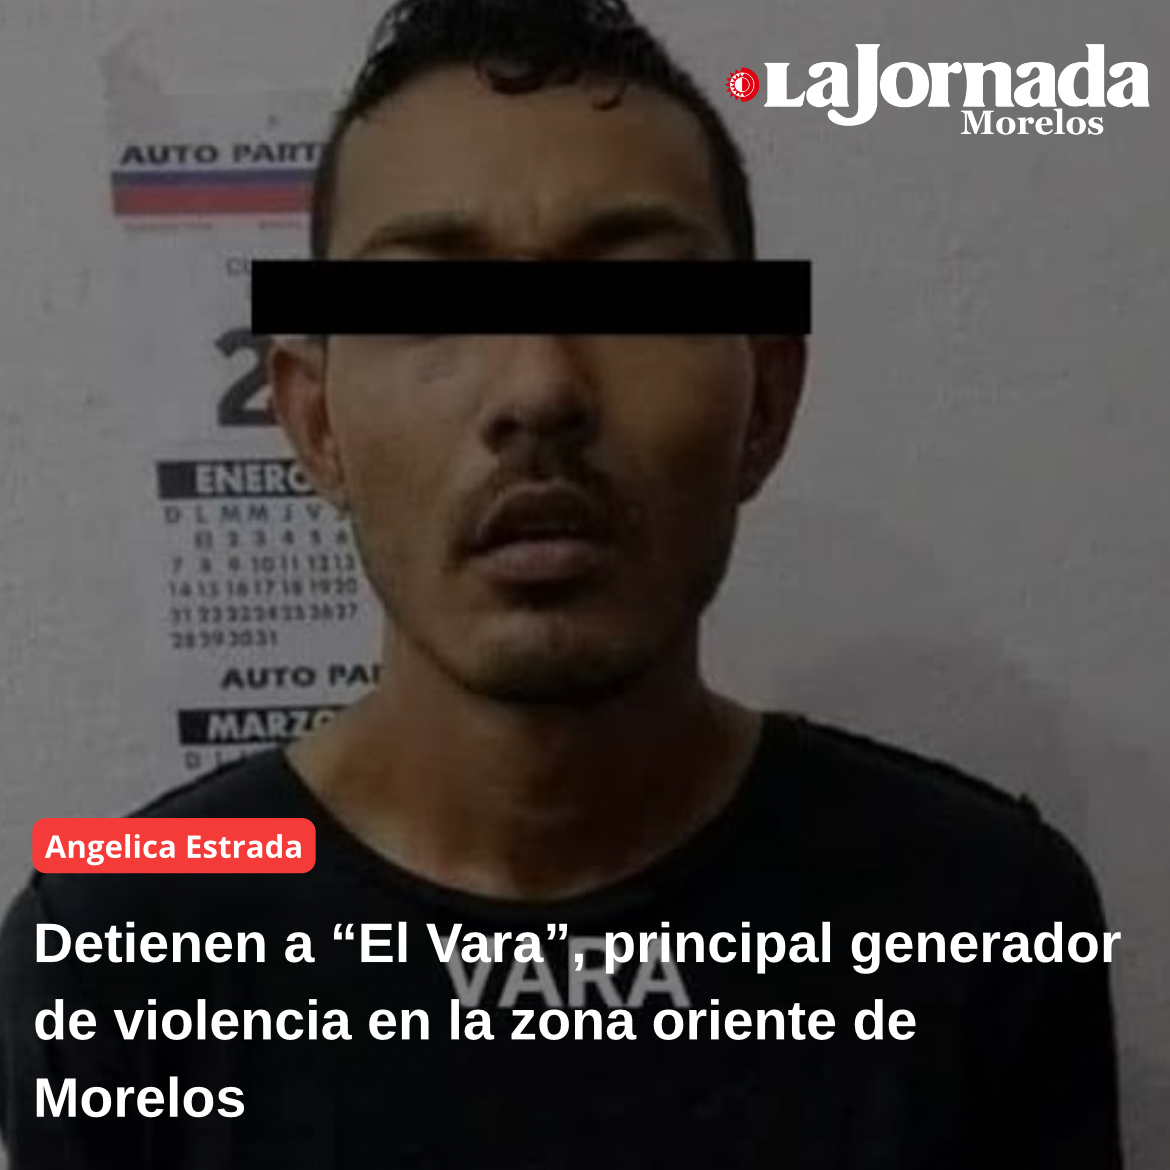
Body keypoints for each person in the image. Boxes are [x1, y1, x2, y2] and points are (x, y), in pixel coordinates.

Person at [0, 0, 1122, 1166]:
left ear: (766, 401)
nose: (539, 388)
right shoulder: (125, 938)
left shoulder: (976, 915)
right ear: (314, 420)